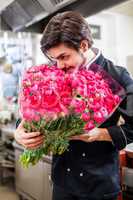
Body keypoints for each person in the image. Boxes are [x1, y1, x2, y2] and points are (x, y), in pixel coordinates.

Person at [14, 11, 133, 200]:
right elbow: (33, 109)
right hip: (62, 183)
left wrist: (100, 134)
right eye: (54, 59)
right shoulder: (54, 71)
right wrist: (20, 129)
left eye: (64, 56)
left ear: (84, 45)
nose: (59, 65)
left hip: (99, 186)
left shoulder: (116, 76)